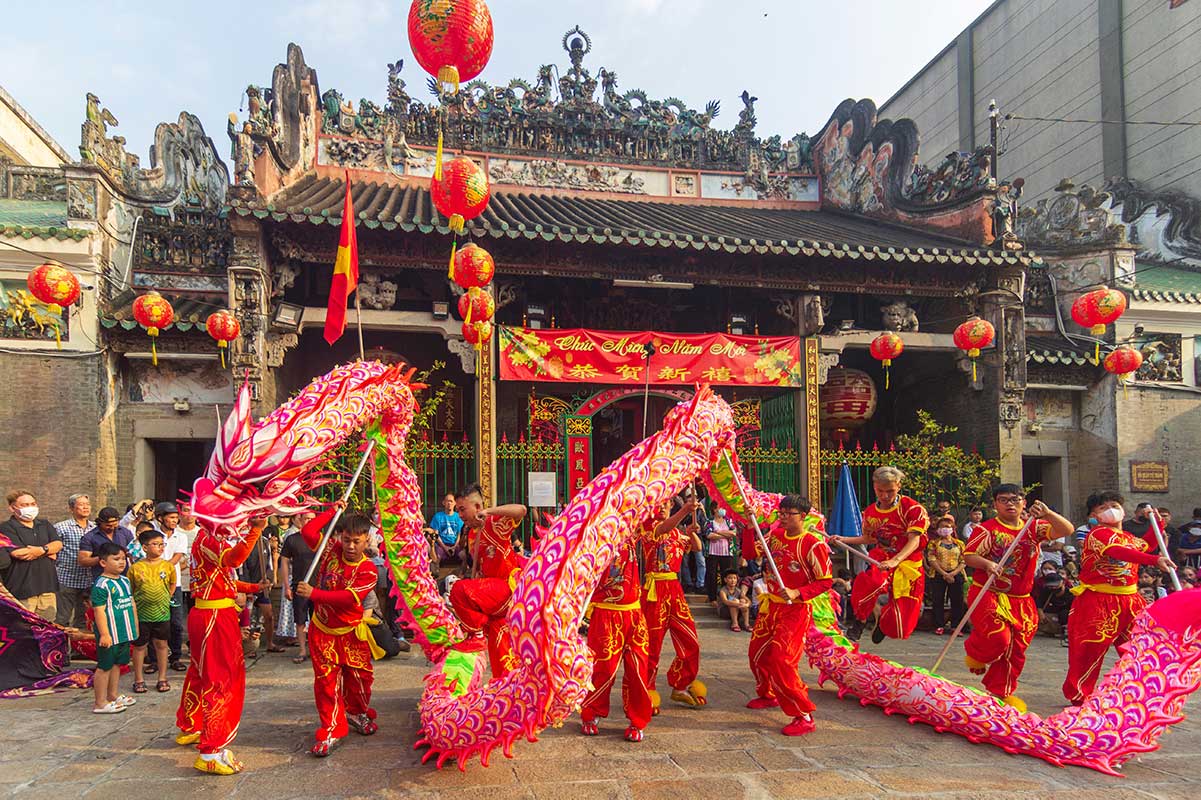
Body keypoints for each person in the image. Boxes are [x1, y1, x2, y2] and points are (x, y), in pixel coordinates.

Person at [962, 485, 1074, 710]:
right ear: (995, 504)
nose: (1010, 504)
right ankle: (976, 651)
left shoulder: (1033, 527)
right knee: (999, 638)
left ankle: (1001, 691)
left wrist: (1048, 514)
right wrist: (987, 564)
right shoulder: (986, 529)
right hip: (990, 592)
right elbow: (969, 556)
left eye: (1015, 499)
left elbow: (1066, 529)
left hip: (1021, 598)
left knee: (1016, 648)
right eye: (1003, 500)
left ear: (1024, 503)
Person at [1063, 491, 1177, 706]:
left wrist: (1158, 523)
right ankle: (1080, 695)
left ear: (1123, 510)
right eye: (1103, 508)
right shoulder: (1097, 534)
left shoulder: (1128, 537)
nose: (1110, 510)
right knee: (1089, 649)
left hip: (1131, 600)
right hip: (1099, 600)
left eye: (1114, 505)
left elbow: (1146, 545)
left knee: (1139, 647)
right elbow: (1117, 552)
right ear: (1093, 515)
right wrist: (1154, 560)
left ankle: (1138, 693)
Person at [175, 516, 267, 775]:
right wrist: (255, 531)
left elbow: (221, 578)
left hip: (206, 613)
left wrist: (253, 587)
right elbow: (234, 560)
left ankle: (191, 724)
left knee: (199, 673)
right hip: (215, 618)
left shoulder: (205, 536)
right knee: (222, 680)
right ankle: (211, 750)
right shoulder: (212, 539)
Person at [295, 506, 383, 757]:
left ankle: (355, 712)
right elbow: (308, 531)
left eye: (356, 541)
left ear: (367, 540)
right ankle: (332, 728)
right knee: (326, 683)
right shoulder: (331, 551)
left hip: (351, 633)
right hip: (323, 631)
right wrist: (332, 511)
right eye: (346, 540)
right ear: (340, 537)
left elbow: (348, 598)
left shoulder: (368, 569)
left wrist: (314, 594)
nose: (350, 546)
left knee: (360, 680)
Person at [745, 495, 832, 737]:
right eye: (780, 513)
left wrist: (797, 592)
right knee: (757, 655)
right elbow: (751, 553)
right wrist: (749, 527)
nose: (782, 517)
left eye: (788, 514)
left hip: (795, 610)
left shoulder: (812, 545)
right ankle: (768, 694)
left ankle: (803, 714)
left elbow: (825, 582)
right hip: (770, 607)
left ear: (802, 516)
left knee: (782, 660)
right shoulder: (774, 536)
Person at [831, 467, 929, 643]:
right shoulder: (870, 512)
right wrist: (843, 539)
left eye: (890, 491)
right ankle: (860, 621)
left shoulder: (912, 508)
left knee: (901, 625)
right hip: (882, 559)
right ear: (874, 487)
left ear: (898, 486)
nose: (885, 496)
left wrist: (896, 560)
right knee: (870, 584)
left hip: (908, 563)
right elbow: (869, 538)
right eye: (880, 491)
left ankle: (883, 622)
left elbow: (914, 540)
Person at [447, 484, 528, 677]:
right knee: (500, 653)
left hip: (506, 590)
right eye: (458, 510)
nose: (460, 515)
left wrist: (489, 511)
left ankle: (475, 635)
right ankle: (507, 686)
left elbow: (521, 510)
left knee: (459, 589)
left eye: (462, 509)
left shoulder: (494, 522)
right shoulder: (472, 533)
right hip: (490, 595)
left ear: (477, 507)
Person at [580, 539, 652, 742]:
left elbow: (661, 527)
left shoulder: (633, 531)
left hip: (634, 613)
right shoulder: (594, 536)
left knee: (638, 668)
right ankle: (591, 712)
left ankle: (637, 720)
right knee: (604, 669)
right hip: (605, 614)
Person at [640, 495, 707, 710]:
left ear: (671, 505)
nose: (661, 508)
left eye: (665, 504)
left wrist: (691, 531)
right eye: (657, 505)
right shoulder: (648, 527)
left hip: (675, 591)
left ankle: (681, 684)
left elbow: (696, 547)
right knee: (652, 644)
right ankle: (647, 689)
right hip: (654, 591)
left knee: (690, 640)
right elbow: (663, 528)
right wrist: (685, 511)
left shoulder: (677, 532)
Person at [90, 541, 138, 714]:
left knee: (118, 664)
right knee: (105, 666)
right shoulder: (102, 585)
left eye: (123, 558)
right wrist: (104, 634)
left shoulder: (125, 580)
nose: (121, 562)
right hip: (110, 633)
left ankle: (112, 695)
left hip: (124, 631)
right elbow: (99, 610)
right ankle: (100, 702)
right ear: (103, 562)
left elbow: (131, 603)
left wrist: (135, 626)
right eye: (116, 559)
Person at [0, 490, 63, 619]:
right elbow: (18, 553)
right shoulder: (6, 528)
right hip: (22, 590)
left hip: (47, 588)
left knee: (48, 626)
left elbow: (58, 544)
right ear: (12, 508)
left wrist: (41, 550)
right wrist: (48, 551)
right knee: (22, 627)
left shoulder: (44, 524)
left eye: (33, 504)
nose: (30, 507)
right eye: (24, 505)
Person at [128, 529, 175, 693]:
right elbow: (131, 589)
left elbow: (172, 584)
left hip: (162, 613)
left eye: (162, 544)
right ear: (145, 547)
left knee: (161, 644)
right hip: (141, 614)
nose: (160, 547)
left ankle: (162, 677)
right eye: (155, 544)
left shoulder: (168, 566)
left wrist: (166, 597)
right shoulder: (136, 568)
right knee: (140, 646)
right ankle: (138, 679)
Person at [153, 502, 191, 672]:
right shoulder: (152, 534)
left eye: (176, 517)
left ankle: (175, 656)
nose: (175, 520)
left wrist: (162, 569)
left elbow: (177, 557)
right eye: (171, 517)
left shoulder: (180, 536)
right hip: (153, 584)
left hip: (174, 584)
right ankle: (154, 659)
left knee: (176, 622)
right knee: (154, 621)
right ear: (160, 518)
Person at [239, 517, 282, 654]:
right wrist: (247, 588)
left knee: (269, 615)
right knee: (248, 616)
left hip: (262, 584)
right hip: (249, 585)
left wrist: (269, 579)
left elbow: (269, 564)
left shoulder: (264, 541)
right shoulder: (244, 541)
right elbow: (242, 567)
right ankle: (249, 645)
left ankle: (270, 643)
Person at [282, 510, 319, 664]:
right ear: (300, 520)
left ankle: (317, 649)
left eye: (312, 519)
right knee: (300, 620)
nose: (309, 521)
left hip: (318, 587)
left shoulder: (321, 539)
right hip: (300, 585)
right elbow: (284, 563)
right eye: (307, 519)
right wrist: (286, 586)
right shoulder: (292, 539)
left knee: (319, 620)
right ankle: (303, 651)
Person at [54, 493, 94, 628]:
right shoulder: (61, 527)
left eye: (87, 504)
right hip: (67, 579)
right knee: (62, 618)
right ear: (71, 508)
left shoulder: (95, 528)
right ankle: (60, 642)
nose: (85, 507)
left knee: (83, 619)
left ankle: (78, 642)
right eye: (81, 505)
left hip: (88, 580)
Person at [923, 513, 966, 634]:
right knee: (938, 599)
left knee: (957, 600)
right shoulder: (933, 543)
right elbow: (932, 559)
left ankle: (956, 626)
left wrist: (952, 573)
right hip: (938, 574)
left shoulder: (959, 544)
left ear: (953, 528)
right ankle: (939, 624)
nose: (945, 529)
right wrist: (944, 573)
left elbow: (964, 560)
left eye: (947, 526)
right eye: (942, 527)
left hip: (956, 574)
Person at [79, 508, 134, 584]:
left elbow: (134, 550)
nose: (112, 528)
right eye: (108, 525)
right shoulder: (90, 537)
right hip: (102, 580)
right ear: (100, 523)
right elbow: (83, 561)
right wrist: (105, 557)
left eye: (115, 525)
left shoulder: (124, 532)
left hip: (124, 577)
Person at [705, 507, 738, 602]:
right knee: (712, 575)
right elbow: (709, 535)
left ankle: (725, 597)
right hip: (712, 552)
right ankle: (712, 598)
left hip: (726, 552)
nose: (722, 510)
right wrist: (725, 535)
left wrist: (718, 532)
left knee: (726, 574)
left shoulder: (728, 521)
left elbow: (733, 533)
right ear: (715, 509)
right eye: (720, 508)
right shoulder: (709, 522)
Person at [426, 493, 465, 564]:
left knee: (463, 555)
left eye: (451, 501)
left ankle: (463, 570)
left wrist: (454, 547)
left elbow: (459, 534)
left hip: (455, 544)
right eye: (447, 501)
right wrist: (445, 547)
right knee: (437, 558)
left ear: (455, 503)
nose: (449, 503)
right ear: (443, 503)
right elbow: (436, 534)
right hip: (441, 544)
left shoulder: (458, 517)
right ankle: (436, 570)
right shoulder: (438, 516)